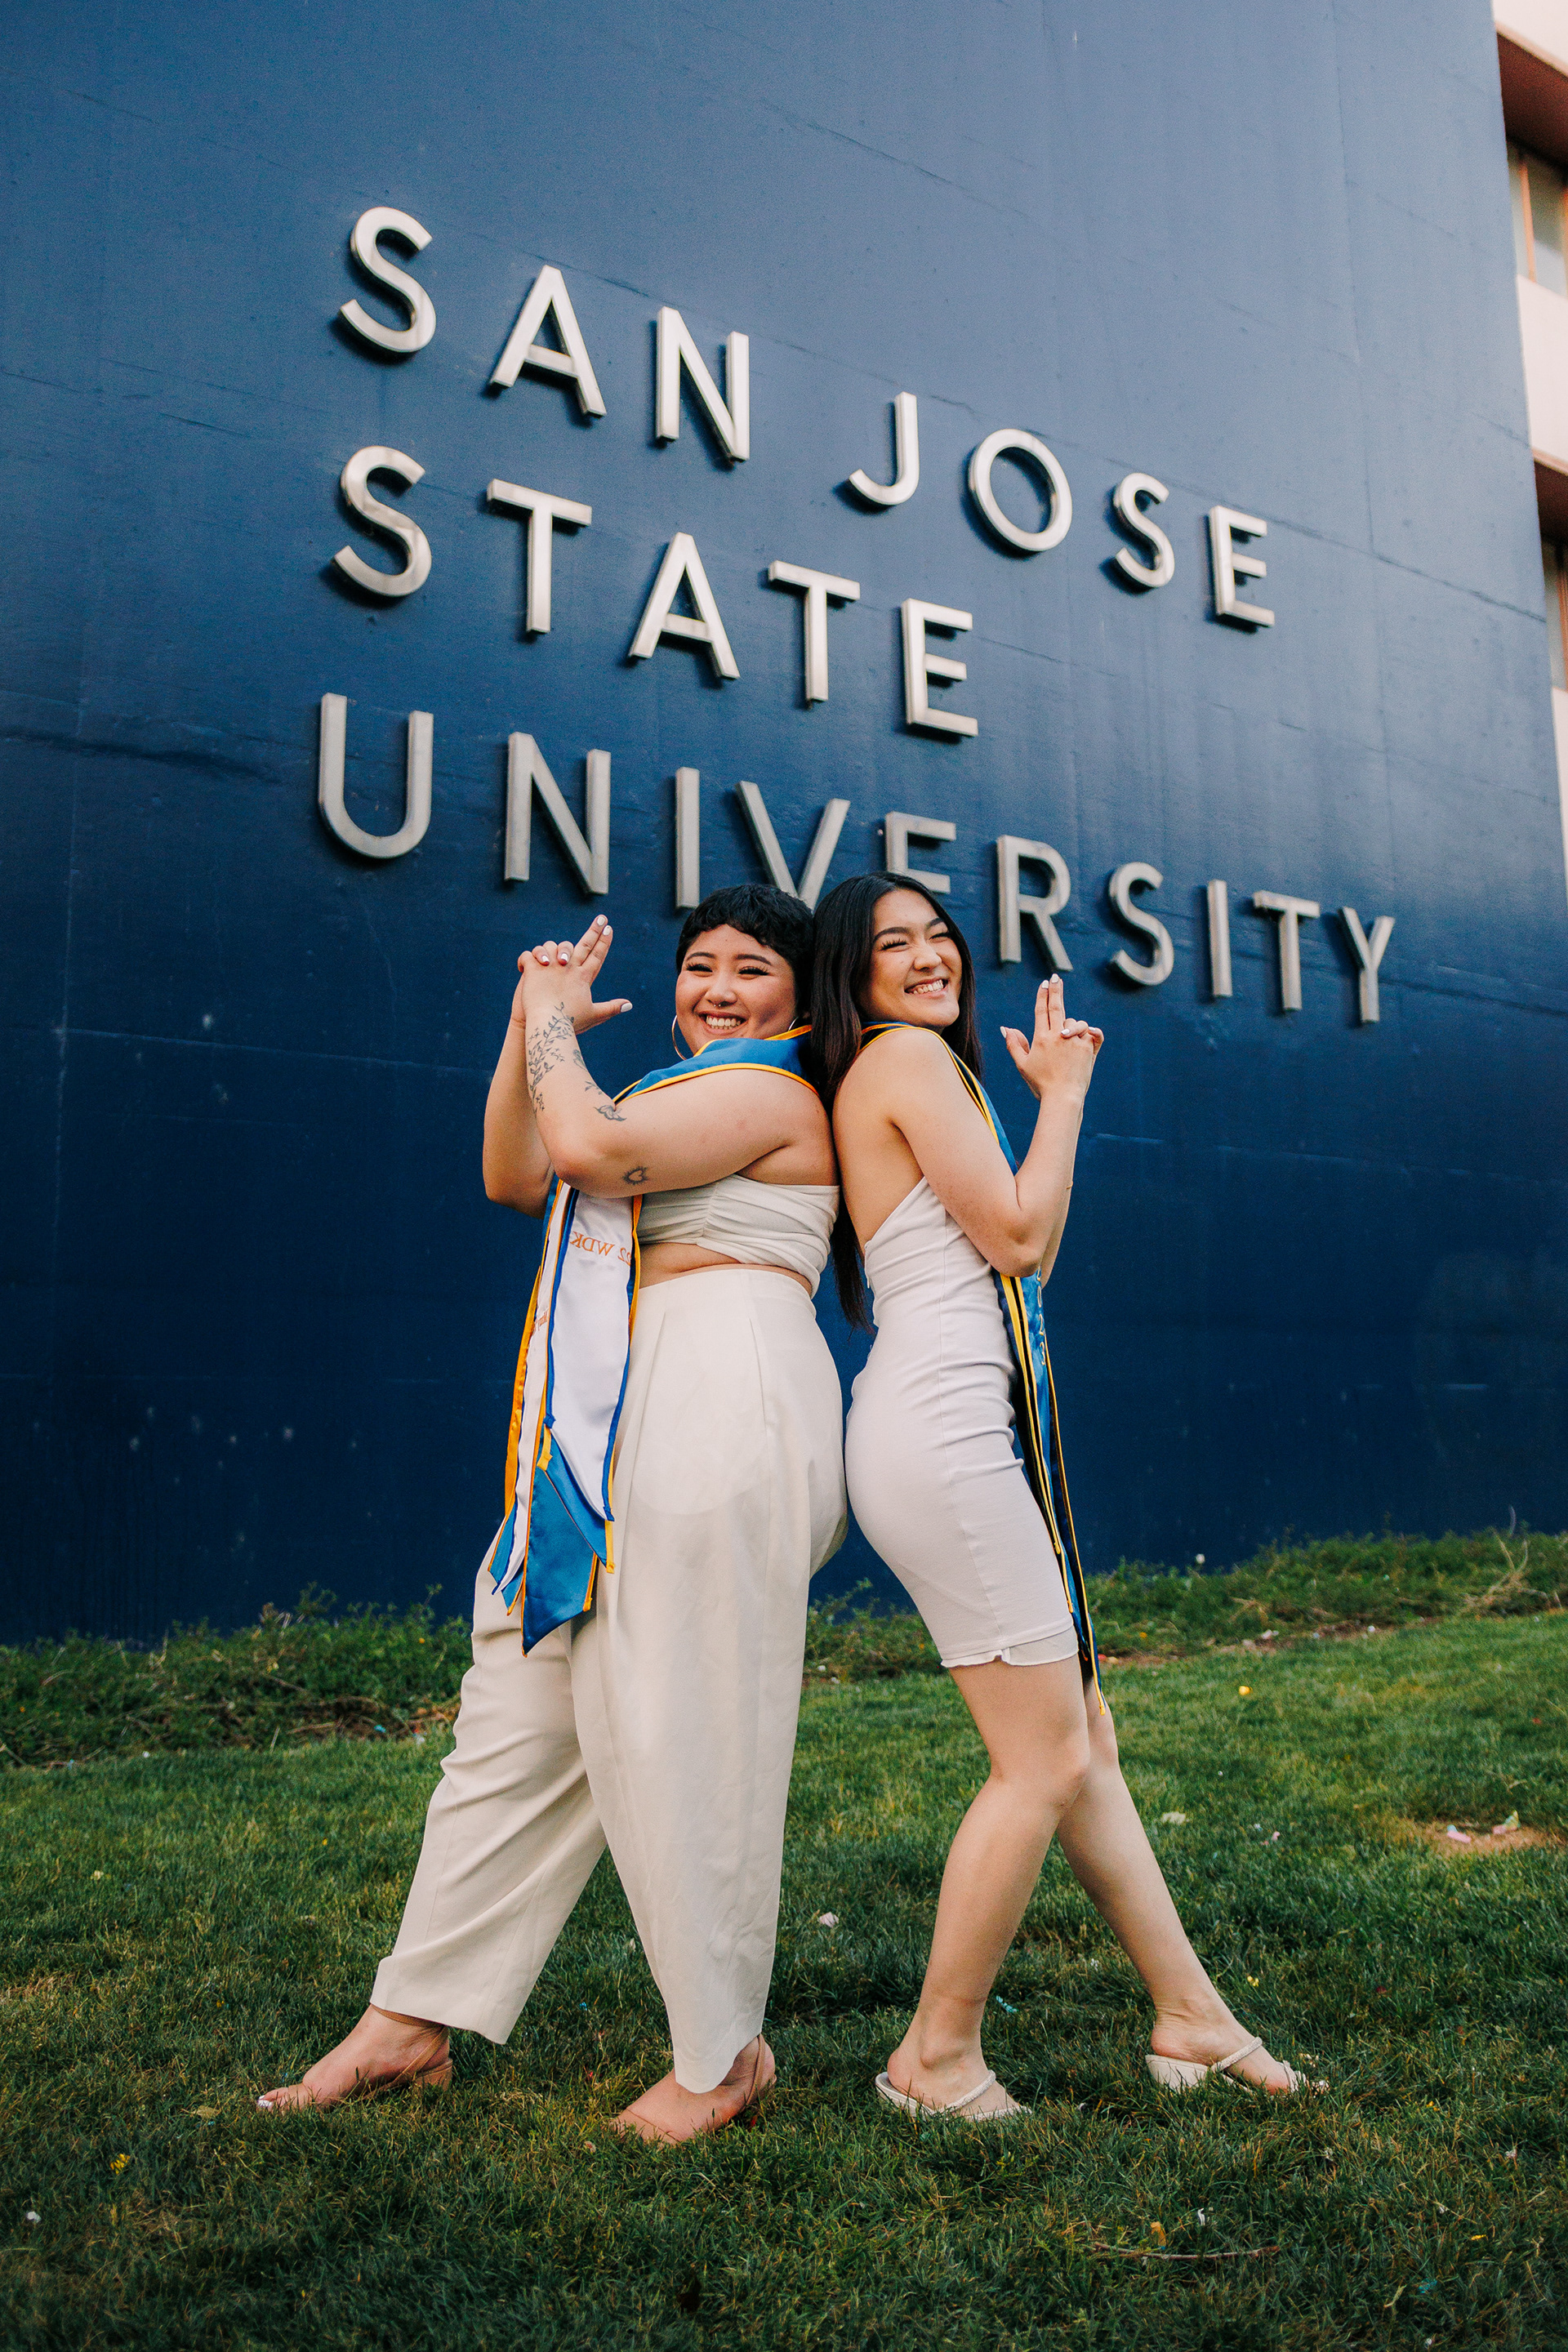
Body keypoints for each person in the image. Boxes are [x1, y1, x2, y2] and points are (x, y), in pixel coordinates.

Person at [260, 884, 846, 2142]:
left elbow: (576, 1149)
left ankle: (723, 2054)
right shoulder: (654, 1096)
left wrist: (551, 1027)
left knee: (688, 1723)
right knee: (513, 1717)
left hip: (722, 1399)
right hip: (612, 1415)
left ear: (801, 995)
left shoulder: (774, 1094)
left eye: (752, 968)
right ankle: (410, 2019)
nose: (719, 988)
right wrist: (530, 1020)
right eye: (701, 964)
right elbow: (515, 1171)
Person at [812, 872, 1321, 2118]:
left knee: (1082, 1736)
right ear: (853, 973)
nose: (930, 955)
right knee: (1039, 1761)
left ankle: (1193, 2016)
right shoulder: (904, 1061)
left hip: (951, 1434)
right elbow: (1023, 1237)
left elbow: (1017, 1250)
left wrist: (1043, 1106)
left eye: (939, 934)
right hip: (942, 1443)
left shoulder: (917, 1069)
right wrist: (1071, 1095)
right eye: (894, 942)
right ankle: (934, 2059)